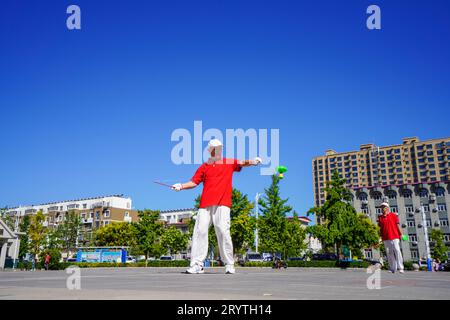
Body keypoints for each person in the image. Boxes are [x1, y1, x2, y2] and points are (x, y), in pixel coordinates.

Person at [172, 139, 262, 274]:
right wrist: (181, 186)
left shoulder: (228, 162)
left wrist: (253, 161)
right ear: (209, 150)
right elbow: (193, 182)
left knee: (223, 231)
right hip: (205, 205)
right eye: (215, 148)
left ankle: (229, 264)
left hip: (223, 204)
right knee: (200, 231)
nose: (217, 150)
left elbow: (242, 162)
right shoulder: (204, 167)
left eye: (219, 148)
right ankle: (197, 264)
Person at [377, 202, 405, 274]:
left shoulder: (393, 215)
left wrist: (402, 234)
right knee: (389, 253)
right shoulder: (380, 217)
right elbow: (380, 228)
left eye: (383, 207)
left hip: (395, 236)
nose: (382, 208)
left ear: (387, 207)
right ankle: (392, 268)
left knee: (397, 250)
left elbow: (398, 225)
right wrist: (380, 237)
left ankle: (401, 268)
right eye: (381, 207)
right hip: (386, 238)